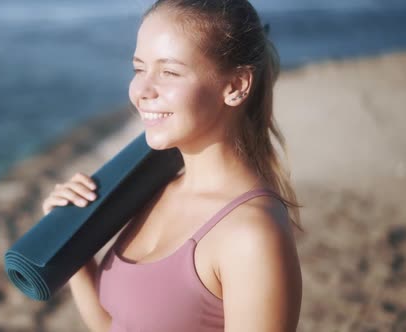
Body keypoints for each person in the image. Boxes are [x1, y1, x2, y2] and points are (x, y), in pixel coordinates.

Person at [41, 0, 303, 331]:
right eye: (139, 69)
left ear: (236, 86)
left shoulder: (250, 235)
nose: (141, 91)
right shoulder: (155, 189)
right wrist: (70, 247)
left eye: (169, 72)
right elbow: (116, 326)